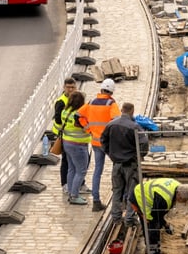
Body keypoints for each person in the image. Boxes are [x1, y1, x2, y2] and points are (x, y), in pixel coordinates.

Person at [102, 102, 149, 225]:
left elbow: (103, 141)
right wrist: (139, 155)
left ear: (122, 110)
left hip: (116, 164)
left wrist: (110, 154)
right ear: (132, 111)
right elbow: (144, 143)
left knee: (117, 191)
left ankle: (116, 218)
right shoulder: (135, 127)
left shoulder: (111, 125)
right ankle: (129, 218)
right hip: (131, 164)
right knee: (132, 191)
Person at [78, 79, 120, 212]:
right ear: (112, 91)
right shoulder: (111, 104)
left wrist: (88, 128)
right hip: (109, 143)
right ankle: (119, 199)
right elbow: (117, 120)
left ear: (101, 89)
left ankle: (96, 201)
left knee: (97, 171)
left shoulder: (90, 103)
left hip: (96, 142)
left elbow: (77, 115)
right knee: (118, 168)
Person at [131, 178, 188, 254]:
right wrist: (163, 224)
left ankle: (151, 250)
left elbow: (160, 213)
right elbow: (155, 216)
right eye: (184, 201)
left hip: (144, 192)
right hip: (138, 198)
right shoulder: (164, 199)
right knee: (153, 228)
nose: (185, 203)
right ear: (179, 196)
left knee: (156, 224)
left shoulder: (177, 186)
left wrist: (165, 225)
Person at [61, 91, 91, 205]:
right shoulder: (79, 115)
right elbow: (87, 127)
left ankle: (70, 191)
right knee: (81, 171)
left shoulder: (65, 111)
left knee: (71, 169)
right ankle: (74, 195)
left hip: (67, 143)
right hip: (78, 145)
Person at [51, 78, 78, 195]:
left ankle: (78, 183)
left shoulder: (76, 99)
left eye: (73, 87)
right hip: (63, 136)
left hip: (73, 136)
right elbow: (57, 119)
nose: (71, 89)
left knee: (76, 162)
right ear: (64, 87)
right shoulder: (61, 102)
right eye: (68, 87)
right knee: (66, 161)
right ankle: (65, 184)